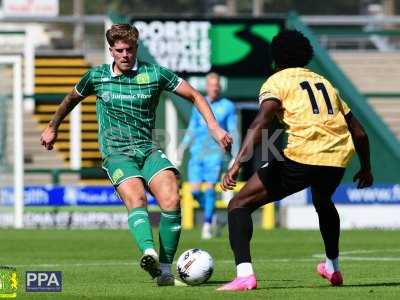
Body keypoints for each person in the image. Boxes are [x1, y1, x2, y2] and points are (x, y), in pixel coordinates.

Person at [40, 24, 232, 287]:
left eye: (129, 49)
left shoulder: (154, 74)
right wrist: (53, 127)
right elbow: (70, 99)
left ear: (136, 48)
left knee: (172, 197)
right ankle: (149, 251)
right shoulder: (96, 77)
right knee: (137, 197)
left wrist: (213, 126)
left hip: (148, 149)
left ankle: (164, 270)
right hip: (117, 153)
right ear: (111, 51)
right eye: (119, 50)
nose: (125, 55)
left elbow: (194, 95)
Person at [217, 30, 373, 291]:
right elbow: (359, 132)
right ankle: (332, 267)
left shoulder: (277, 81)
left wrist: (237, 163)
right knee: (323, 201)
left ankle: (245, 275)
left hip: (302, 156)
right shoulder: (324, 83)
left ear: (275, 56)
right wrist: (366, 168)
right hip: (337, 158)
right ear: (305, 55)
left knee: (238, 205)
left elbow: (261, 122)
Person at [177, 72, 239, 239]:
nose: (214, 88)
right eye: (211, 85)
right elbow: (191, 128)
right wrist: (182, 147)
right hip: (196, 153)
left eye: (216, 85)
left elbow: (233, 130)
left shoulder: (228, 106)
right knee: (195, 191)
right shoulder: (199, 103)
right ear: (207, 86)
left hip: (214, 153)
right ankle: (214, 217)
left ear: (220, 86)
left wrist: (235, 154)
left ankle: (206, 225)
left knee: (210, 189)